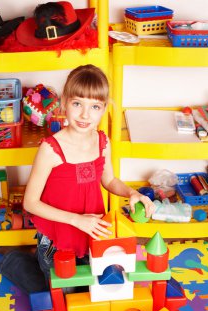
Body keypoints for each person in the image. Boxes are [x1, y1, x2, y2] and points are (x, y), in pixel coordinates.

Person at [21, 64, 155, 288]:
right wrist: (76, 220)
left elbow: (109, 180)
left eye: (94, 106)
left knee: (95, 291)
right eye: (77, 104)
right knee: (64, 296)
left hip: (91, 233)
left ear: (103, 109)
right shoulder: (50, 149)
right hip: (58, 238)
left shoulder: (102, 142)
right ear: (64, 103)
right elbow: (30, 202)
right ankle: (15, 263)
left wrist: (133, 193)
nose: (85, 114)